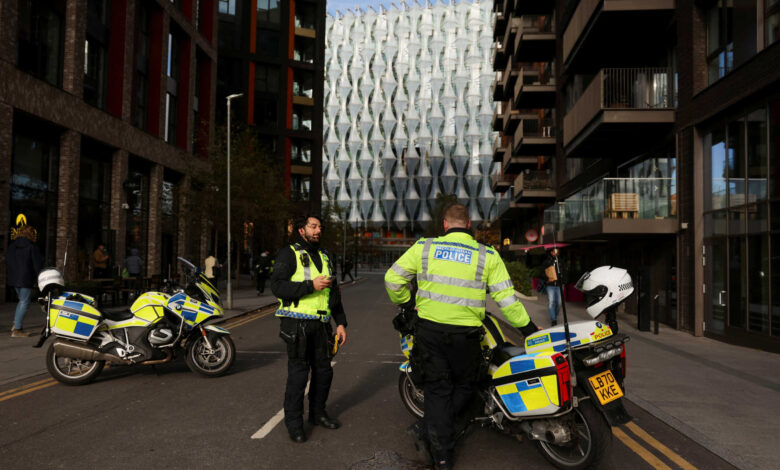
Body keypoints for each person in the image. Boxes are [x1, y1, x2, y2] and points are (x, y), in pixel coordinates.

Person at [384, 203, 539, 470]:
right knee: (467, 386)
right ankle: (437, 428)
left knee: (437, 390)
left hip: (429, 332)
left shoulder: (425, 247)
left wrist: (407, 303)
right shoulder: (487, 255)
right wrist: (529, 330)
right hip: (465, 337)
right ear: (469, 225)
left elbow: (392, 279)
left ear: (445, 225)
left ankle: (441, 456)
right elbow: (507, 300)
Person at [270, 215, 348, 444]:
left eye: (319, 227)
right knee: (299, 375)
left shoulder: (324, 256)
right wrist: (309, 286)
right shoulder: (288, 254)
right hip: (297, 325)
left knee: (324, 372)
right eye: (313, 227)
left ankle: (317, 413)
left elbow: (333, 293)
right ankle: (294, 424)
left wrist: (341, 322)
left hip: (322, 326)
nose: (317, 231)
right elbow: (277, 286)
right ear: (301, 230)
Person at [6, 224, 43, 337]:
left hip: (14, 278)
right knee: (24, 302)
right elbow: (37, 265)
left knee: (22, 301)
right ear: (30, 234)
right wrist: (40, 277)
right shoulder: (32, 247)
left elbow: (6, 261)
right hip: (26, 278)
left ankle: (16, 324)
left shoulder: (12, 246)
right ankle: (17, 329)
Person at [542, 248, 562, 326]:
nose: (556, 253)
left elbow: (565, 271)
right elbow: (542, 273)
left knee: (559, 303)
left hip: (559, 285)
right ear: (551, 252)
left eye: (557, 252)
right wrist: (547, 279)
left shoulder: (560, 262)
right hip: (550, 286)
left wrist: (563, 281)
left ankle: (555, 315)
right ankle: (554, 319)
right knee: (551, 302)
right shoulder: (546, 262)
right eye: (554, 252)